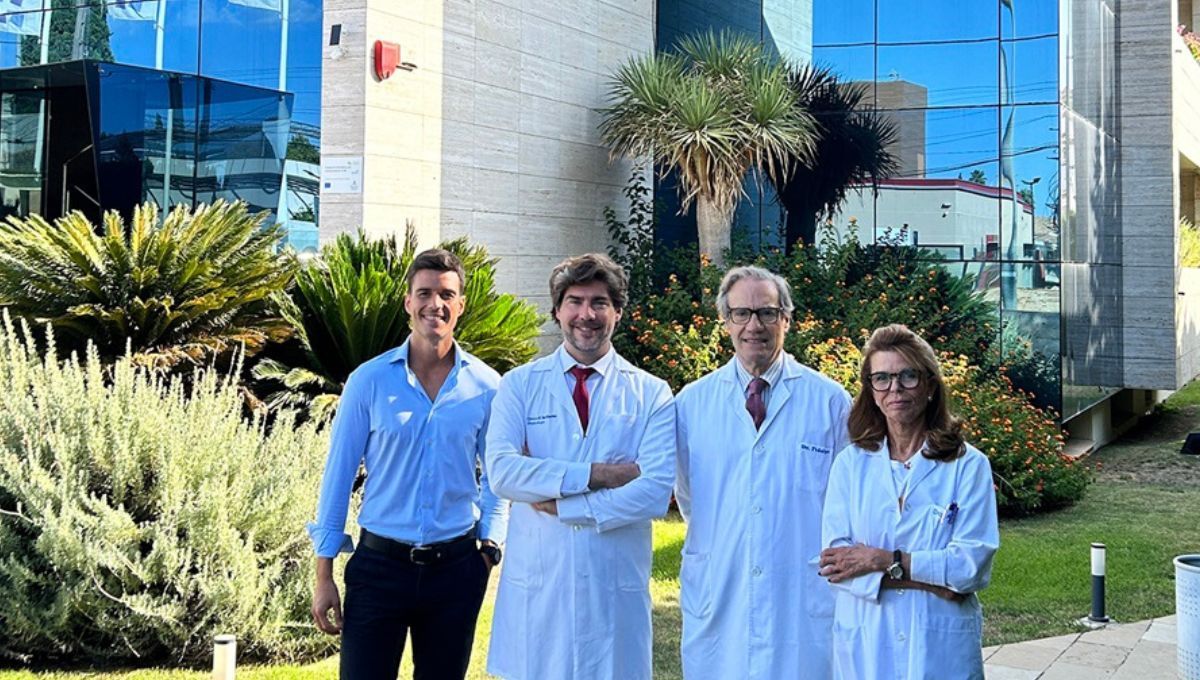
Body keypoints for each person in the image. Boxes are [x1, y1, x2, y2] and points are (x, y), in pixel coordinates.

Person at [307, 248, 508, 679]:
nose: (435, 304)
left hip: (456, 572)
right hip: (378, 569)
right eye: (425, 293)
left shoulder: (487, 387)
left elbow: (498, 477)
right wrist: (324, 575)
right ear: (408, 302)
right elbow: (338, 477)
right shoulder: (368, 381)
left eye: (446, 294)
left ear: (461, 305)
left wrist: (489, 549)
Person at [484, 253, 675, 680]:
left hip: (613, 594)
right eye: (575, 301)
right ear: (557, 310)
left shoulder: (652, 394)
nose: (586, 315)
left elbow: (654, 492)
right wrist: (601, 474)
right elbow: (503, 472)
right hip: (541, 593)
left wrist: (563, 502)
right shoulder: (519, 385)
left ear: (618, 312)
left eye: (599, 302)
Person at [675, 265, 852, 679]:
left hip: (802, 592)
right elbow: (688, 496)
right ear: (725, 321)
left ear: (786, 320)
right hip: (720, 586)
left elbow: (848, 502)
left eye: (767, 313)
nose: (753, 325)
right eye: (741, 313)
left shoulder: (830, 402)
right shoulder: (691, 404)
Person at [819, 323, 1000, 680]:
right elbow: (836, 567)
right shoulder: (850, 465)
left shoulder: (968, 465)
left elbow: (970, 568)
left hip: (939, 650)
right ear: (871, 390)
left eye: (908, 375)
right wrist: (933, 580)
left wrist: (883, 560)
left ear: (930, 385)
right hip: (868, 644)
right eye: (882, 378)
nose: (895, 388)